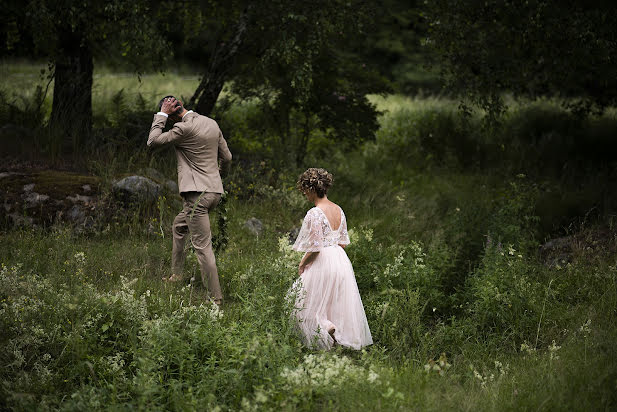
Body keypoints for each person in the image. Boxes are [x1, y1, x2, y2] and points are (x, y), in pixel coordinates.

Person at [147, 96, 232, 305]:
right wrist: (219, 177)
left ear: (172, 115)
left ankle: (216, 299)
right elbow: (227, 157)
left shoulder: (183, 129)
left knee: (203, 248)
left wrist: (161, 115)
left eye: (168, 117)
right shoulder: (211, 123)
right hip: (214, 193)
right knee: (179, 226)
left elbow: (153, 141)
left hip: (197, 196)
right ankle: (176, 275)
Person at [290, 168, 372, 350]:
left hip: (323, 259)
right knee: (333, 302)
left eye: (305, 191)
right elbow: (342, 242)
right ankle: (332, 331)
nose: (305, 195)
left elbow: (316, 247)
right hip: (340, 260)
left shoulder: (315, 213)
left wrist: (303, 263)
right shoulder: (339, 210)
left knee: (304, 303)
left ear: (311, 189)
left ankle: (325, 328)